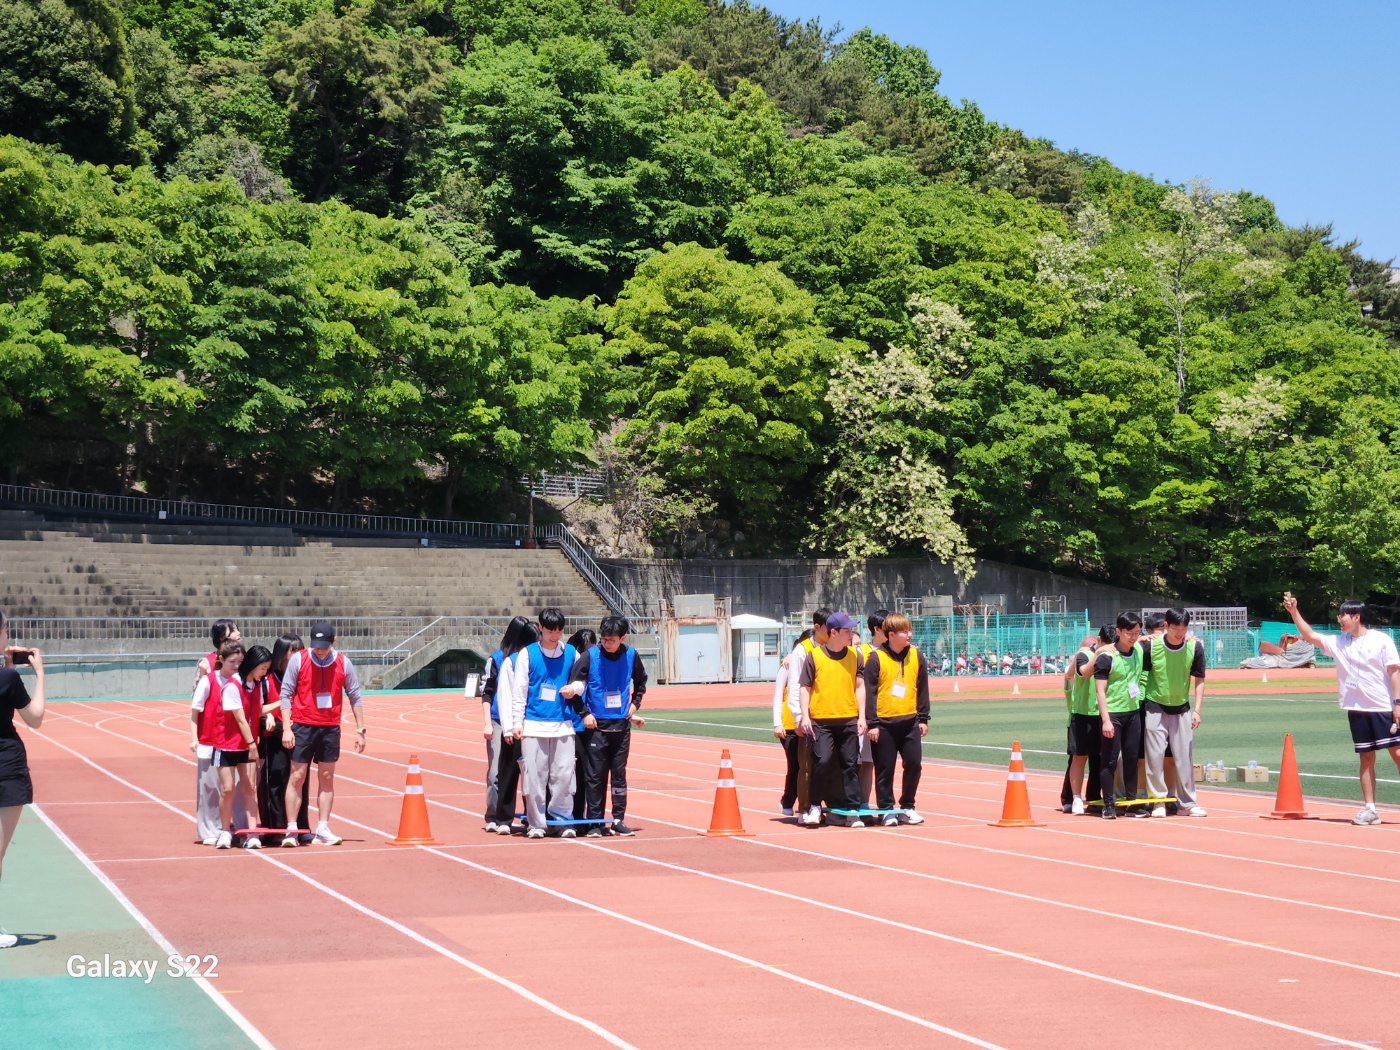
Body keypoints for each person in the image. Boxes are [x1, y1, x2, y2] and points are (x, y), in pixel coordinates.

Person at [1283, 595, 1400, 825]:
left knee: (1397, 755)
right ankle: (1370, 809)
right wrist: (1294, 612)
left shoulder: (1381, 640)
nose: (1339, 620)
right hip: (1357, 710)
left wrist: (1398, 703)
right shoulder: (1339, 642)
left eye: (1343, 616)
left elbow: (1394, 672)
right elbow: (1310, 635)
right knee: (1366, 758)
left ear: (1356, 617)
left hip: (1383, 708)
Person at [278, 621, 367, 847]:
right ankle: (291, 829)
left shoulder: (344, 663)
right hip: (303, 725)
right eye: (316, 646)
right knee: (297, 776)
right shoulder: (299, 660)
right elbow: (285, 693)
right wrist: (287, 728)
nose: (319, 650)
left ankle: (323, 827)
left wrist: (360, 729)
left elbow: (354, 695)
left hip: (330, 727)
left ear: (333, 642)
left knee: (327, 777)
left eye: (324, 646)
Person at [565, 616, 647, 837]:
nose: (607, 643)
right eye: (604, 639)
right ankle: (595, 822)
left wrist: (635, 704)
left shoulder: (631, 655)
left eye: (612, 640)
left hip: (621, 727)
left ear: (623, 638)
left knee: (619, 776)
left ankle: (618, 819)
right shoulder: (589, 656)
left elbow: (641, 682)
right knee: (595, 776)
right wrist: (584, 713)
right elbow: (572, 688)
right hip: (596, 727)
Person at [507, 608, 579, 839]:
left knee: (564, 775)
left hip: (563, 725)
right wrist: (516, 722)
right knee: (535, 777)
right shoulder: (527, 655)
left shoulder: (571, 653)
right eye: (550, 631)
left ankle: (562, 821)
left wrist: (575, 688)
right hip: (533, 724)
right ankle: (536, 823)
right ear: (540, 627)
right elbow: (519, 691)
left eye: (559, 631)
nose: (554, 635)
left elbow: (583, 679)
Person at [797, 611, 867, 828]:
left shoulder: (855, 655)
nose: (851, 634)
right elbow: (805, 688)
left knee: (850, 764)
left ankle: (852, 809)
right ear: (833, 632)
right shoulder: (815, 656)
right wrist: (805, 716)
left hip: (848, 719)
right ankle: (815, 806)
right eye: (847, 630)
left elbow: (860, 686)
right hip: (821, 720)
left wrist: (862, 716)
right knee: (822, 762)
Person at [0, 612, 45, 949]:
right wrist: (40, 675)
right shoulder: (8, 679)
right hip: (6, 767)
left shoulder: (6, 676)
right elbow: (35, 718)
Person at [191, 641, 262, 849]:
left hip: (239, 744)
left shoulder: (246, 683)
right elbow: (195, 710)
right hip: (214, 742)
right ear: (221, 660)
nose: (237, 665)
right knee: (216, 789)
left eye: (241, 662)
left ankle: (244, 830)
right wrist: (194, 738)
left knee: (244, 789)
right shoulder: (210, 680)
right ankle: (215, 831)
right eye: (233, 661)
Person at [1081, 612, 1149, 819]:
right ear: (1118, 631)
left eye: (1137, 633)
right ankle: (1108, 804)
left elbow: (1154, 638)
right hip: (1113, 714)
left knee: (1131, 758)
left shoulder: (1138, 649)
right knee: (1109, 761)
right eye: (1129, 633)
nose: (1133, 637)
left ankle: (1131, 803)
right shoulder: (1107, 657)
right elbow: (1100, 691)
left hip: (1132, 713)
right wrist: (1106, 720)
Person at [863, 613, 929, 825]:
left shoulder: (916, 655)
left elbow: (922, 688)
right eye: (904, 631)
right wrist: (872, 723)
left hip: (910, 721)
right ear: (891, 635)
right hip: (883, 724)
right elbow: (870, 693)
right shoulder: (876, 658)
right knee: (885, 768)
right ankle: (886, 809)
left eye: (910, 630)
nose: (909, 635)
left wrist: (923, 718)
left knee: (914, 764)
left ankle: (907, 806)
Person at [1142, 608, 1207, 818]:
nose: (1180, 633)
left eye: (1184, 629)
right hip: (1155, 706)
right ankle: (1158, 801)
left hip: (1182, 708)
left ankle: (1188, 803)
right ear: (1166, 626)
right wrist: (1140, 639)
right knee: (1155, 757)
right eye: (1175, 629)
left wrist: (1197, 710)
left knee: (1184, 758)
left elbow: (1199, 679)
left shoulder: (1194, 646)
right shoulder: (1151, 646)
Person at [193, 618, 243, 845]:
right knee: (210, 786)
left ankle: (237, 827)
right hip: (212, 733)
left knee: (237, 785)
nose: (238, 633)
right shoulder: (208, 662)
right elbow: (197, 697)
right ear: (223, 637)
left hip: (236, 734)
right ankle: (209, 830)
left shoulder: (242, 659)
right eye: (234, 630)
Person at [481, 616, 531, 833]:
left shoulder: (530, 658)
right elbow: (487, 692)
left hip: (524, 720)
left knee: (528, 769)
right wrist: (487, 723)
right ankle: (494, 814)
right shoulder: (498, 659)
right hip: (498, 720)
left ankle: (530, 815)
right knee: (496, 772)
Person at [258, 633, 309, 843]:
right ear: (281, 653)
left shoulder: (304, 676)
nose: (298, 654)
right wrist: (269, 717)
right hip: (273, 736)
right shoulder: (267, 678)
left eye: (300, 650)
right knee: (275, 780)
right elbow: (256, 707)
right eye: (293, 650)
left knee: (299, 782)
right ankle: (275, 829)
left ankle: (300, 827)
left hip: (299, 733)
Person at [490, 621, 538, 835]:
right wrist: (508, 727)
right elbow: (505, 696)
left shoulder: (541, 659)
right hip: (514, 728)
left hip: (535, 725)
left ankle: (532, 817)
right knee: (509, 773)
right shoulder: (512, 662)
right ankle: (503, 818)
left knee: (534, 775)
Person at [1059, 632, 1101, 814]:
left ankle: (1093, 798)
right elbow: (1070, 675)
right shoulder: (1075, 669)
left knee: (1097, 760)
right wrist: (1080, 656)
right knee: (1076, 759)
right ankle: (1069, 798)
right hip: (1078, 717)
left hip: (1097, 716)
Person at [772, 631, 812, 816]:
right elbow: (777, 695)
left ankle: (810, 803)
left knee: (809, 765)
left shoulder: (814, 663)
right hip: (789, 725)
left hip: (808, 722)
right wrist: (777, 723)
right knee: (795, 765)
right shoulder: (787, 666)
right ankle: (787, 801)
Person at [564, 628, 598, 823]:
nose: (589, 652)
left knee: (587, 774)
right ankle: (571, 815)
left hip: (590, 725)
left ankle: (582, 817)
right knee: (571, 774)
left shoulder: (595, 661)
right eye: (586, 648)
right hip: (573, 724)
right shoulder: (572, 662)